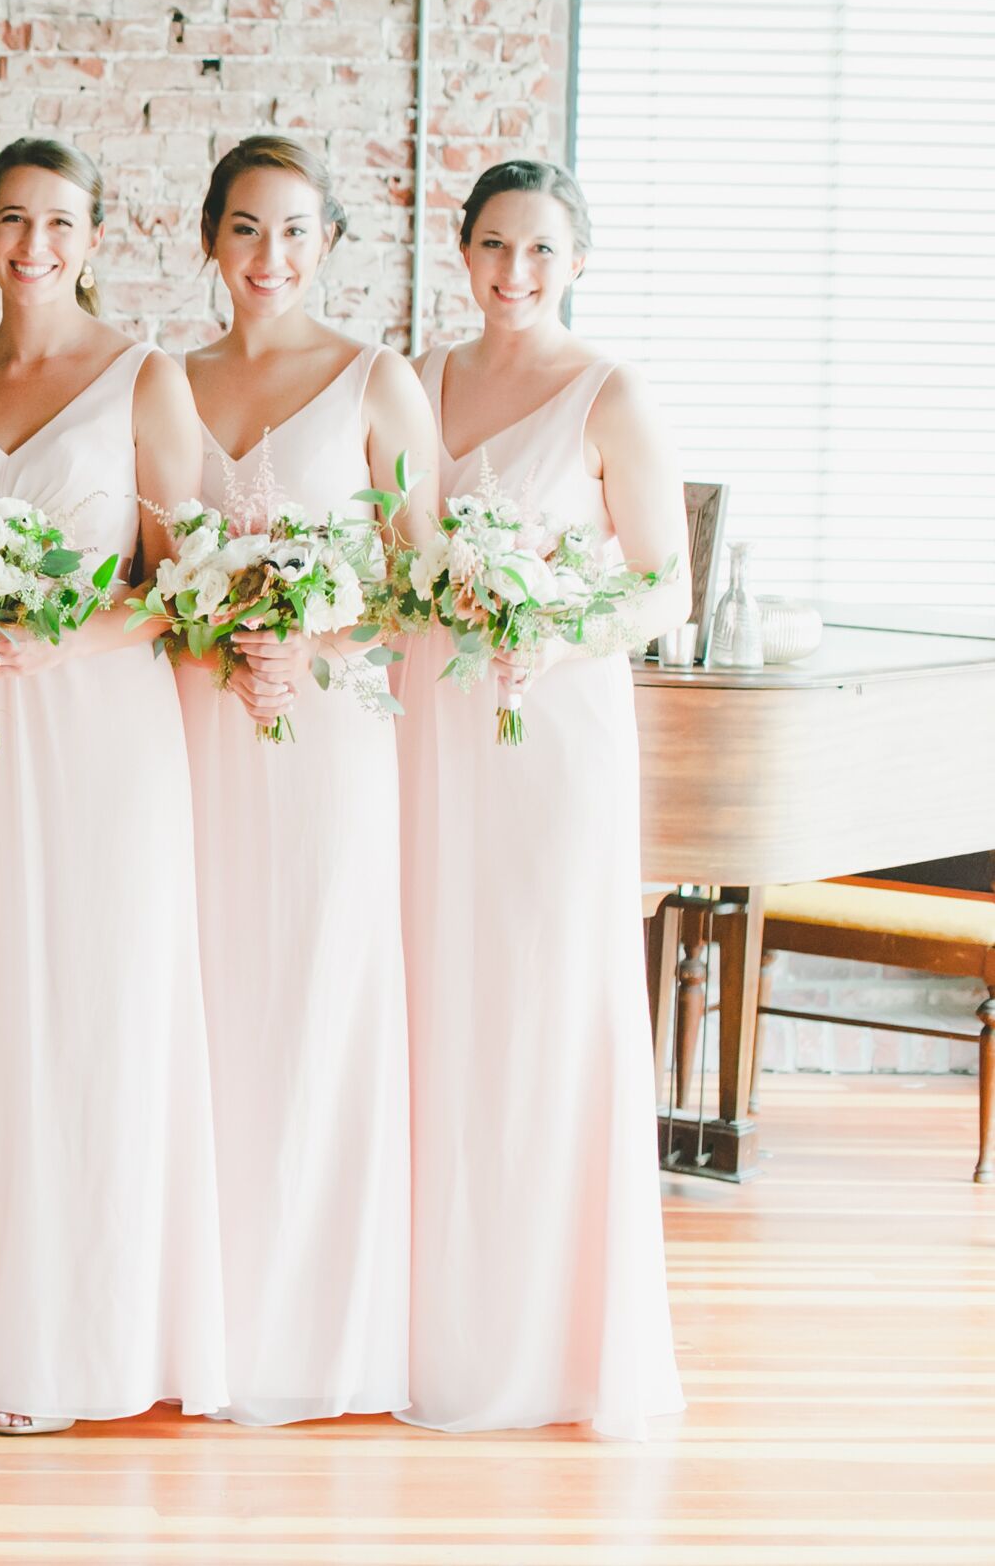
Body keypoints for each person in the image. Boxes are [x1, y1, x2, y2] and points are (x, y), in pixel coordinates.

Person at [0, 137, 228, 1434]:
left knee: (106, 1008)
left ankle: (97, 1339)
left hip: (102, 732)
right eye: (13, 221)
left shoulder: (146, 380)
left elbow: (178, 585)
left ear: (95, 238)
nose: (35, 244)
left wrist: (59, 638)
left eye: (62, 223)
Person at [400, 158, 688, 1437]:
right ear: (461, 254)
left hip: (551, 726)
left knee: (540, 1003)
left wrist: (554, 634)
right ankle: (429, 1317)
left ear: (578, 262)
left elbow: (665, 587)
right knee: (434, 995)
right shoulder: (420, 382)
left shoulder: (609, 391)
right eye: (494, 249)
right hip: (430, 719)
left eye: (541, 253)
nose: (515, 276)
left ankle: (552, 1337)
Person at [174, 135, 437, 1424]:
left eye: (291, 231)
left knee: (320, 998)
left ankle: (319, 1332)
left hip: (328, 729)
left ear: (329, 240)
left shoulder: (378, 380)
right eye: (241, 229)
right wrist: (215, 629)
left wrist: (314, 627)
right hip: (197, 726)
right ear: (207, 240)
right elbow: (137, 564)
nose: (266, 256)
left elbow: (421, 571)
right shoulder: (165, 381)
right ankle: (205, 1319)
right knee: (209, 1003)